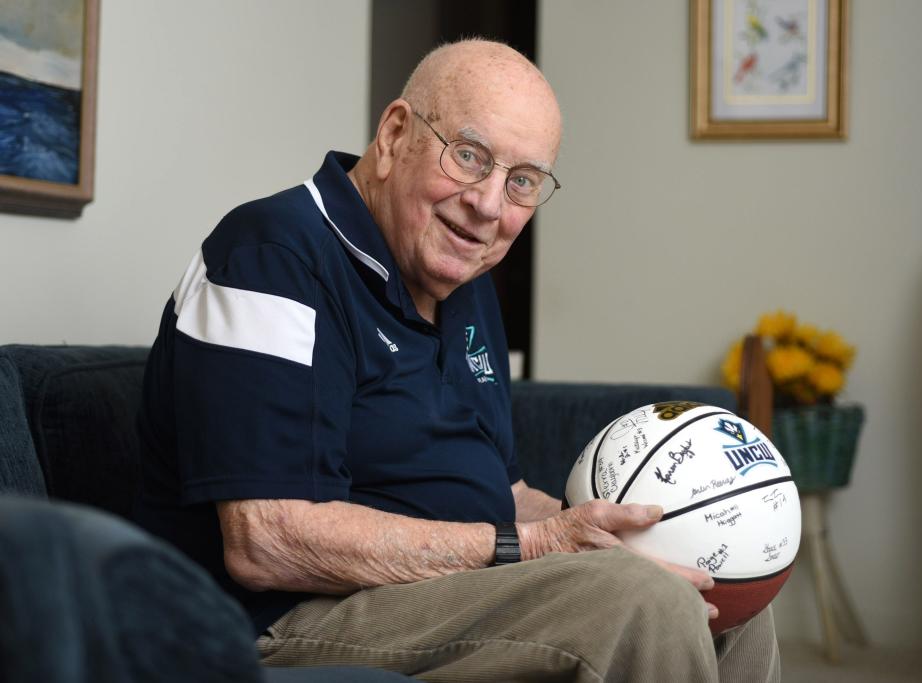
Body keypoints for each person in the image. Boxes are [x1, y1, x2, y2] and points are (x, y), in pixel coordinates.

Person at [134, 39, 780, 682]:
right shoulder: (273, 253)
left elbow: (503, 492)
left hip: (436, 593)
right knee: (645, 597)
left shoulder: (464, 286)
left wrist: (645, 526)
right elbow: (267, 542)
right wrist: (537, 547)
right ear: (393, 135)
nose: (489, 206)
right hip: (282, 617)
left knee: (724, 582)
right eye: (470, 156)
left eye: (522, 181)